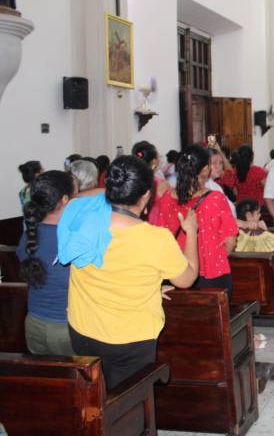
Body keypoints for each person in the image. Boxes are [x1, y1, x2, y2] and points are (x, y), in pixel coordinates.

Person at [62, 155, 199, 389]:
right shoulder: (154, 238)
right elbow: (187, 278)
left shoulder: (81, 218)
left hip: (82, 331)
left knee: (95, 397)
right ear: (146, 195)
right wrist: (191, 232)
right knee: (129, 406)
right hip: (128, 339)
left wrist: (151, 286)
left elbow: (77, 198)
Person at [152, 145, 238, 297]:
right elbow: (230, 241)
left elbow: (161, 237)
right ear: (205, 170)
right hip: (212, 275)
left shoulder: (166, 199)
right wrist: (211, 259)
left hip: (177, 273)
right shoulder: (215, 199)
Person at [17, 171, 76, 355]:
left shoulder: (29, 236)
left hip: (34, 324)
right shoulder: (71, 240)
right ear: (66, 199)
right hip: (65, 328)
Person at [132, 141, 170, 220]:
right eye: (158, 156)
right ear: (154, 162)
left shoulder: (129, 182)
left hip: (131, 226)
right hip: (155, 228)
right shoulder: (162, 185)